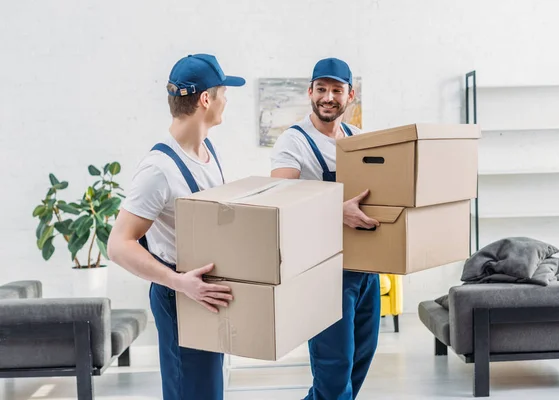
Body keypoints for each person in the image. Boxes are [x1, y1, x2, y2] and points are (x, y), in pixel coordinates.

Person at [107, 53, 245, 400]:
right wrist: (179, 283)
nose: (226, 100)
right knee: (191, 393)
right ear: (205, 99)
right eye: (223, 92)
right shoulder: (159, 169)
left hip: (203, 293)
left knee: (209, 391)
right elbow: (119, 244)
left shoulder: (206, 151)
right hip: (179, 294)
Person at [270, 57, 381, 400]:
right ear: (310, 92)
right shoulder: (294, 143)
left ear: (351, 95)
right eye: (321, 89)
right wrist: (336, 210)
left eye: (336, 90)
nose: (328, 97)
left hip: (365, 270)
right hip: (323, 275)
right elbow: (278, 202)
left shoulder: (360, 140)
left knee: (358, 364)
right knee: (334, 375)